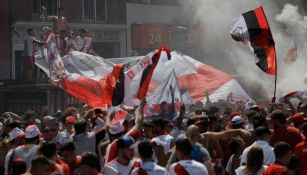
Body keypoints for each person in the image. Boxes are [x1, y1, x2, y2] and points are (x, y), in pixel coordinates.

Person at [103, 99, 145, 164]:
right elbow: (139, 124)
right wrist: (141, 106)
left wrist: (109, 113)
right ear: (122, 133)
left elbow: (107, 126)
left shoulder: (107, 147)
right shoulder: (123, 142)